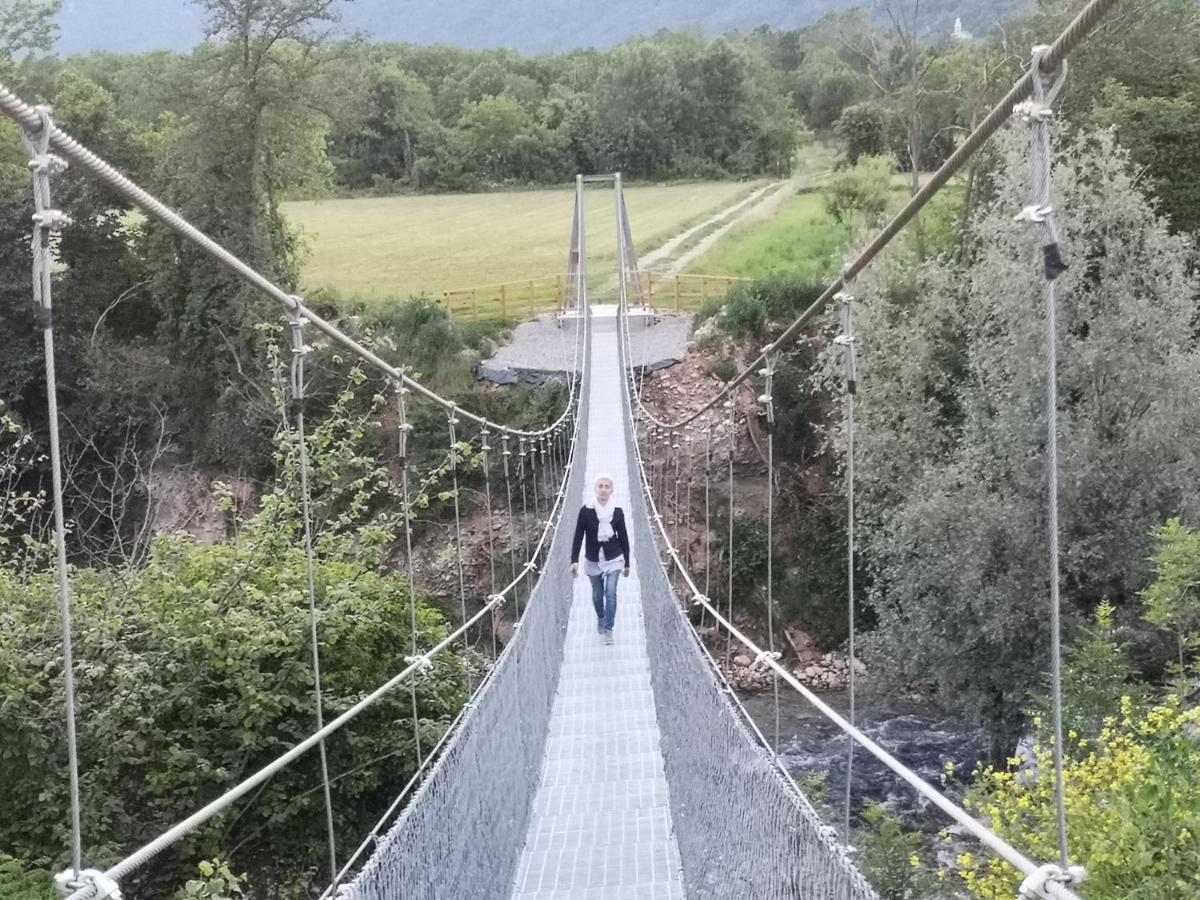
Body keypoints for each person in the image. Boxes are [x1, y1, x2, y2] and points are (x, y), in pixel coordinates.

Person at [570, 473, 631, 644]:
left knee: (610, 592)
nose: (604, 489)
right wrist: (574, 560)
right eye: (601, 486)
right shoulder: (586, 511)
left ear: (611, 490)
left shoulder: (617, 511)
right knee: (597, 595)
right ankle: (601, 617)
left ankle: (608, 628)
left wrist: (627, 563)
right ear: (595, 488)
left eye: (607, 486)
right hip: (593, 559)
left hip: (614, 557)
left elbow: (624, 537)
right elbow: (578, 536)